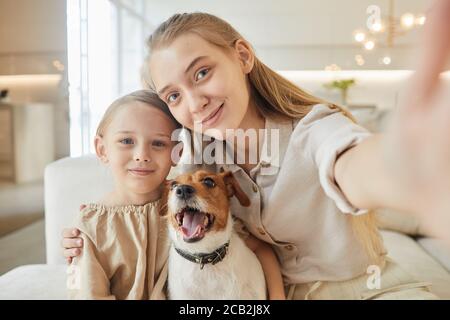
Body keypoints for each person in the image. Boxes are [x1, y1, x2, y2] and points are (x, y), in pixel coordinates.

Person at [63, 0, 450, 299]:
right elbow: (149, 193)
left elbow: (349, 163)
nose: (195, 101)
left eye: (202, 73)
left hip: (372, 288)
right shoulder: (197, 153)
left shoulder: (312, 128)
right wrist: (93, 234)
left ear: (243, 57)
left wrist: (399, 168)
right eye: (174, 95)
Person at [67, 90, 286, 300]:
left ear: (177, 152)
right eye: (126, 141)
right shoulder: (89, 227)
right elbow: (85, 292)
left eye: (158, 143)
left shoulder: (191, 204)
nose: (142, 155)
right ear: (102, 149)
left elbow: (257, 247)